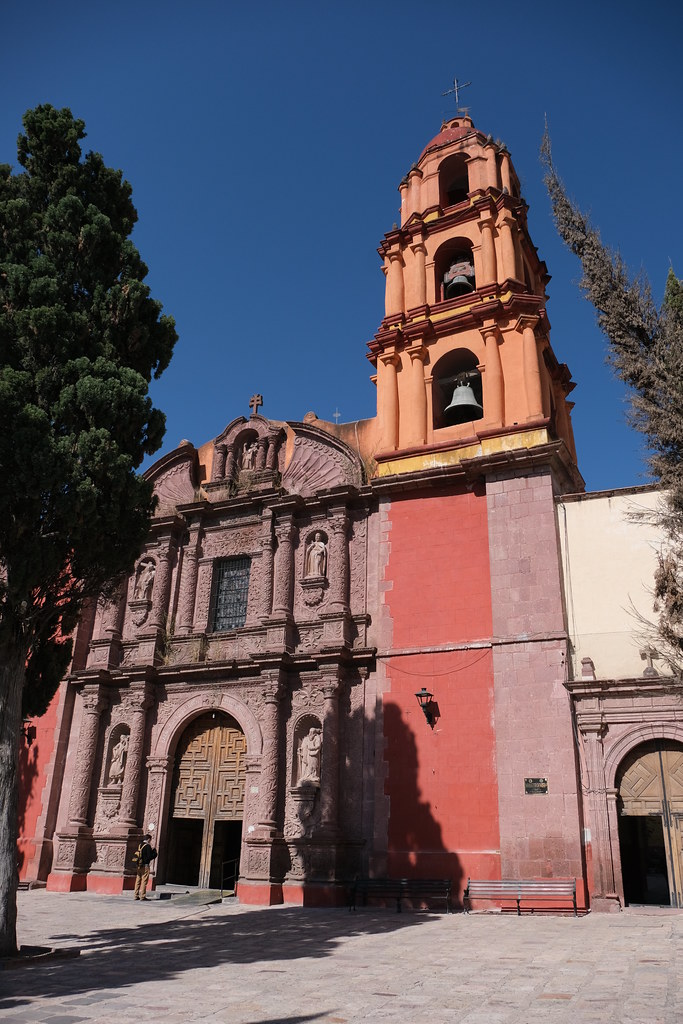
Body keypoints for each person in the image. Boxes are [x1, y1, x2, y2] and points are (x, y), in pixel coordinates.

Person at [133, 833, 158, 901]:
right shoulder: (147, 846)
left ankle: (136, 895)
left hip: (139, 865)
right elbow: (149, 857)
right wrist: (154, 852)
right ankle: (142, 896)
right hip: (145, 866)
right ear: (149, 839)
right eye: (150, 840)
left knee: (138, 880)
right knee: (144, 881)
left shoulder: (140, 845)